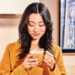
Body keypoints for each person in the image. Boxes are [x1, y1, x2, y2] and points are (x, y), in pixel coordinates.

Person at [0, 2, 67, 75]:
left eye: (41, 25)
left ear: (46, 26)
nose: (36, 30)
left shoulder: (56, 50)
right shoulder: (11, 49)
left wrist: (53, 67)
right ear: (25, 25)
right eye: (31, 24)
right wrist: (23, 68)